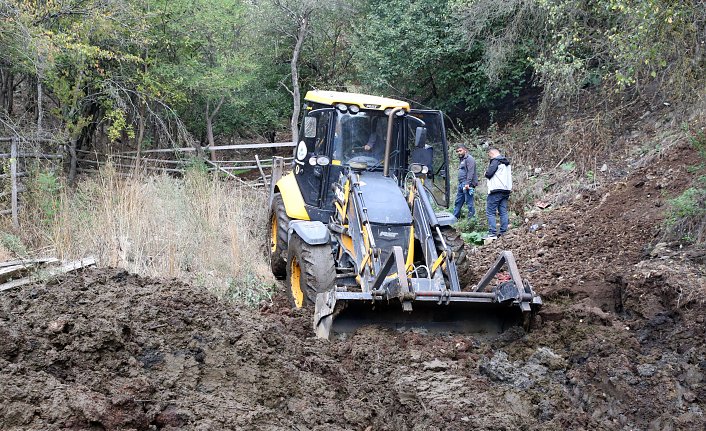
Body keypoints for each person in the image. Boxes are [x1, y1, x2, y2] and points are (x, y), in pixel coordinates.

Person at [484, 148, 512, 238]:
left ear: (492, 154)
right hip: (506, 189)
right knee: (503, 211)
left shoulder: (495, 161)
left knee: (490, 212)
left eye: (490, 155)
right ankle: (503, 232)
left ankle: (492, 233)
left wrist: (485, 172)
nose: (490, 157)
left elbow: (489, 174)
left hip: (496, 190)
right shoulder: (506, 162)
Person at [453, 144, 478, 220]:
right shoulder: (462, 160)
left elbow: (471, 172)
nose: (459, 152)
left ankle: (471, 220)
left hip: (467, 184)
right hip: (461, 184)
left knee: (469, 202)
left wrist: (468, 183)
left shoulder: (469, 159)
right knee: (458, 202)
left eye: (460, 151)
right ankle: (454, 218)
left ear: (465, 150)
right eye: (457, 151)